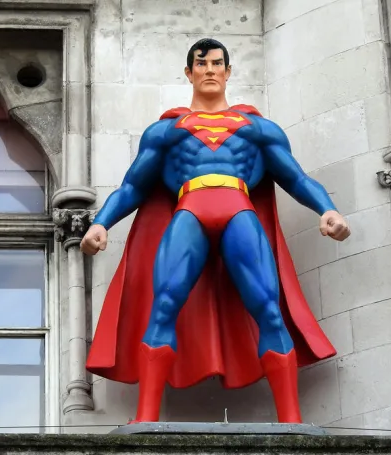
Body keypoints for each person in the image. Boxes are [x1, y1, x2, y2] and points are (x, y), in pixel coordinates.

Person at [82, 38, 350, 424]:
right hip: (189, 209)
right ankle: (145, 419)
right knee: (163, 305)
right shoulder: (166, 131)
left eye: (217, 63)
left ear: (228, 71)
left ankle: (291, 422)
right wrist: (101, 222)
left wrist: (327, 209)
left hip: (238, 209)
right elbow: (132, 187)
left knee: (269, 309)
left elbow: (295, 177)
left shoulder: (257, 129)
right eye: (201, 63)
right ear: (189, 72)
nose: (209, 69)